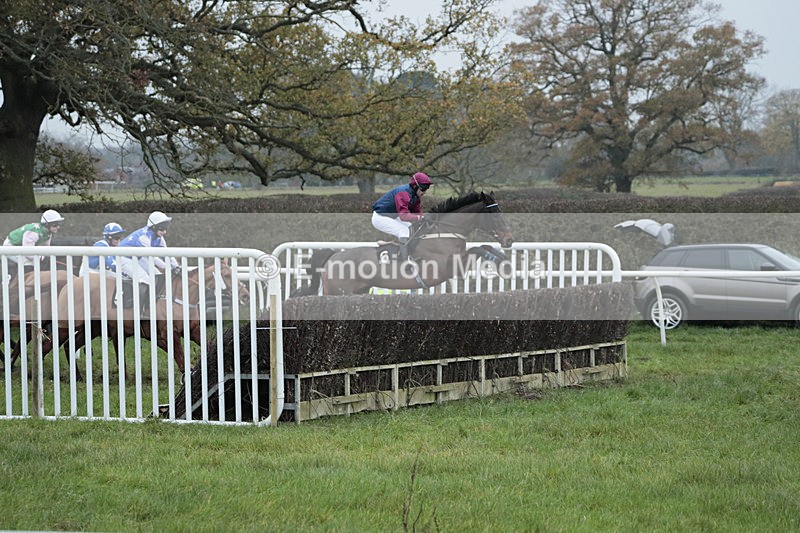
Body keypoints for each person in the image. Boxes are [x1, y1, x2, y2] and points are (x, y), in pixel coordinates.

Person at [116, 211, 180, 307]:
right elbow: (152, 258)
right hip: (124, 258)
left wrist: (176, 266)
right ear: (153, 227)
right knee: (145, 280)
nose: (164, 232)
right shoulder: (144, 237)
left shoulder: (159, 237)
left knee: (158, 275)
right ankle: (139, 310)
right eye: (162, 229)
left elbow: (166, 254)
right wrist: (168, 267)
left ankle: (153, 303)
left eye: (166, 228)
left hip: (137, 257)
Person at [371, 172, 431, 260]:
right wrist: (420, 217)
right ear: (415, 186)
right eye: (424, 188)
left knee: (412, 228)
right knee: (404, 231)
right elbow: (404, 217)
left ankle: (408, 253)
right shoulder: (403, 193)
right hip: (380, 218)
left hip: (392, 216)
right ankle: (405, 260)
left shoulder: (415, 196)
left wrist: (426, 218)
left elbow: (417, 214)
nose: (425, 191)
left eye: (427, 188)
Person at [2, 209, 65, 279]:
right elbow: (27, 253)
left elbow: (46, 249)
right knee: (29, 262)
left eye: (59, 224)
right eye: (55, 224)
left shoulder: (47, 233)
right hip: (10, 246)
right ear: (46, 224)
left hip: (22, 247)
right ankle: (17, 284)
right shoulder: (33, 233)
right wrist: (41, 257)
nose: (58, 227)